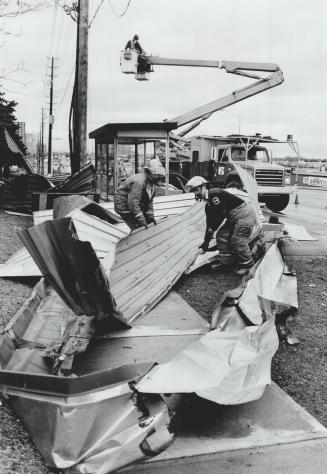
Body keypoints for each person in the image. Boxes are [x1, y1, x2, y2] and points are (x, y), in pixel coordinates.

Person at [199, 188, 257, 275]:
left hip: (245, 215)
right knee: (222, 235)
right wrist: (206, 241)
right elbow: (209, 224)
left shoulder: (214, 194)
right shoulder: (208, 206)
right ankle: (226, 263)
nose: (196, 193)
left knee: (238, 239)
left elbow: (220, 215)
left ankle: (248, 266)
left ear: (203, 187)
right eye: (194, 191)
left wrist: (212, 229)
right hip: (234, 216)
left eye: (197, 190)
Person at [114, 161, 165, 230]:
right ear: (149, 172)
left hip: (133, 203)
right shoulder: (139, 182)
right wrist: (140, 218)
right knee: (138, 227)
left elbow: (149, 202)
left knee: (146, 223)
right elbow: (133, 202)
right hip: (123, 204)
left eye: (159, 175)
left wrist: (150, 216)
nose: (158, 177)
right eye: (156, 174)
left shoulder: (152, 184)